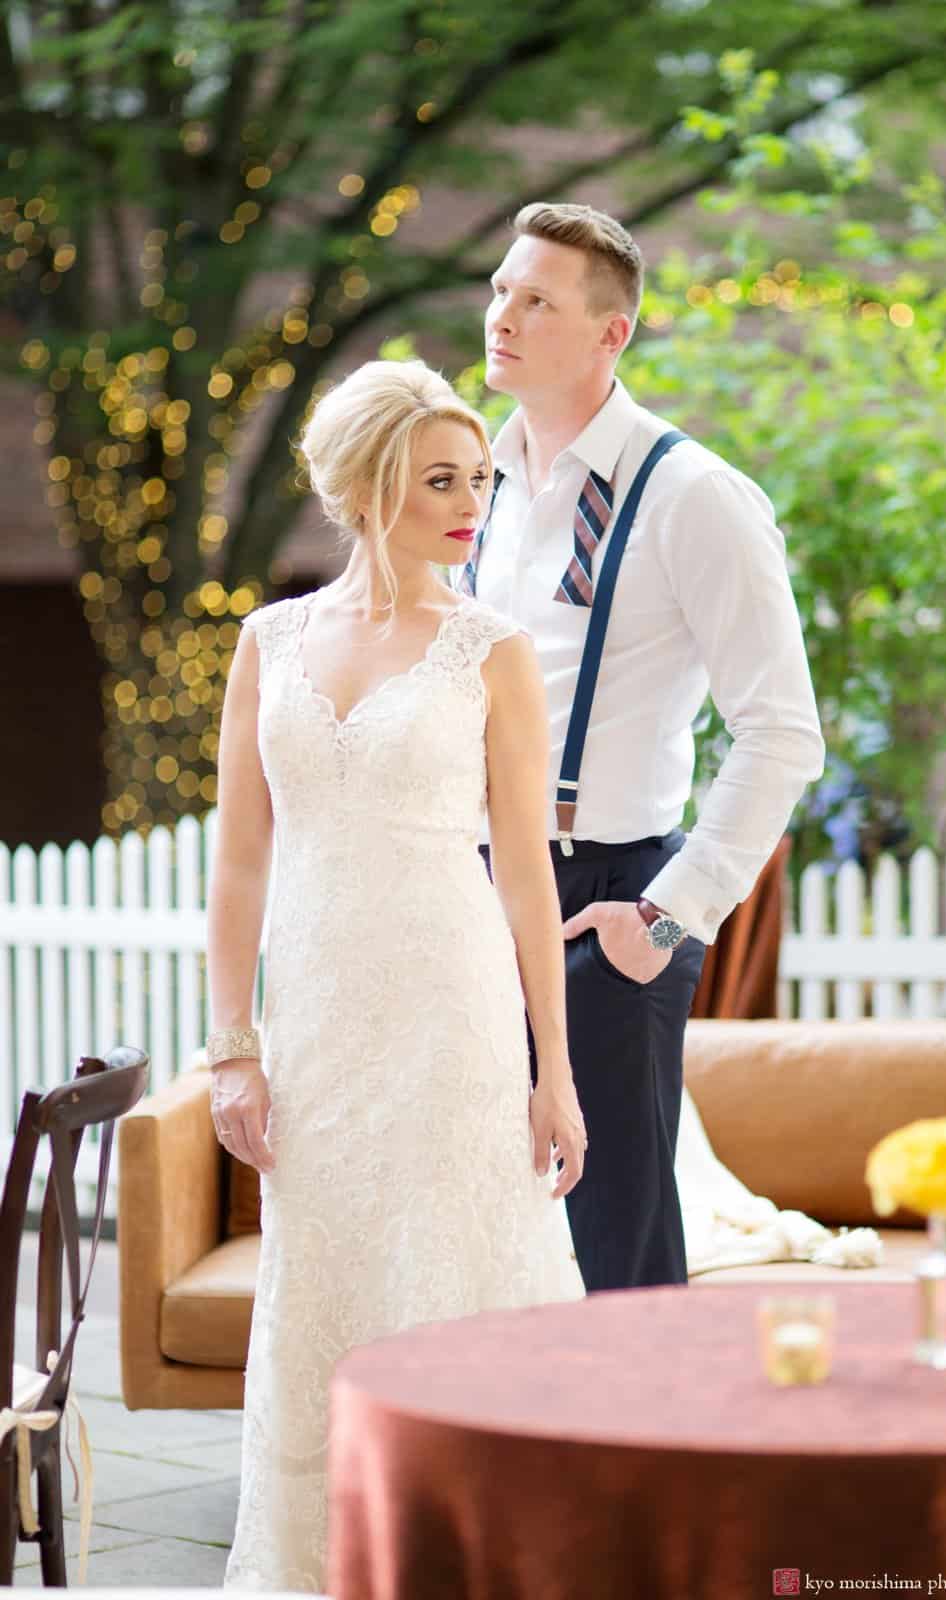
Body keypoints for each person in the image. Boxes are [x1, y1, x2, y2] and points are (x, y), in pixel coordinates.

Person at [206, 360, 587, 1592]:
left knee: (450, 1279)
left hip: (452, 1013)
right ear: (368, 488)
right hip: (317, 1021)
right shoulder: (268, 642)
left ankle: (473, 1560)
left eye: (478, 479)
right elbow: (240, 860)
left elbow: (528, 874)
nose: (469, 503)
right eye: (439, 481)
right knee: (322, 1290)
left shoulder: (491, 648)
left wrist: (554, 1072)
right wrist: (232, 1044)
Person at [464, 202, 826, 1293]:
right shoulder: (472, 483)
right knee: (483, 1222)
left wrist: (668, 917)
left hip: (605, 896)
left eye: (538, 300)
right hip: (471, 892)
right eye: (498, 288)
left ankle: (649, 1464)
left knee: (616, 1243)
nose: (503, 315)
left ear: (609, 334)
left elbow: (782, 732)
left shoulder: (695, 496)